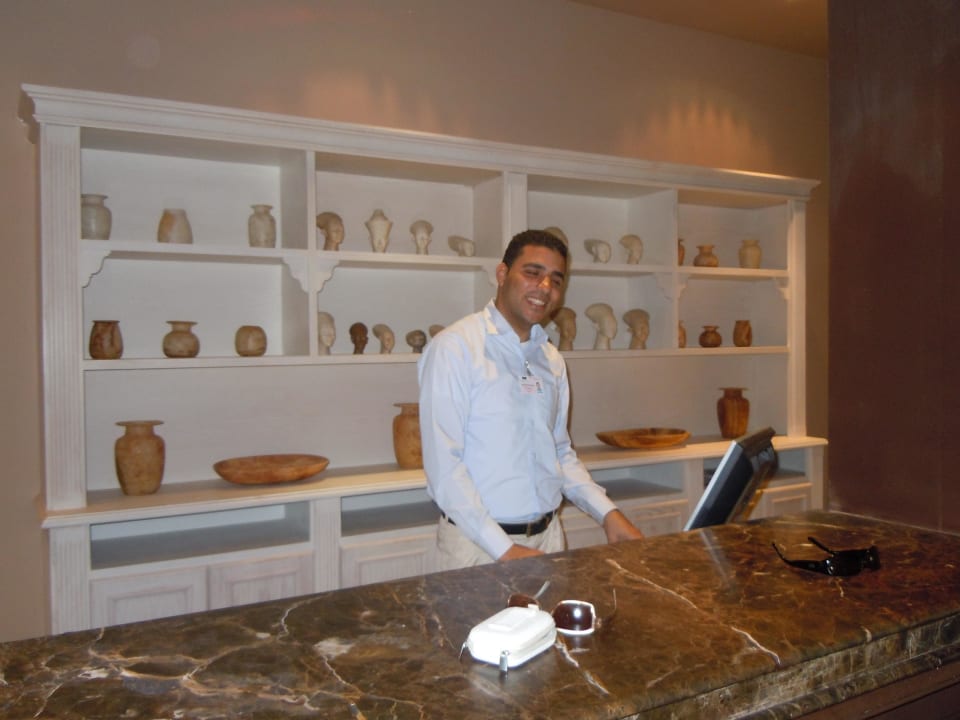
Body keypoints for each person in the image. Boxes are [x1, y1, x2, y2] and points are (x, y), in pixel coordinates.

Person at [418, 229, 644, 569]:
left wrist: (608, 513)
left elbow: (559, 452)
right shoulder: (455, 348)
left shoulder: (550, 359)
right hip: (478, 548)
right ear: (502, 274)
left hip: (548, 539)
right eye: (532, 273)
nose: (544, 287)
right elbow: (444, 468)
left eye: (556, 280)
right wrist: (505, 550)